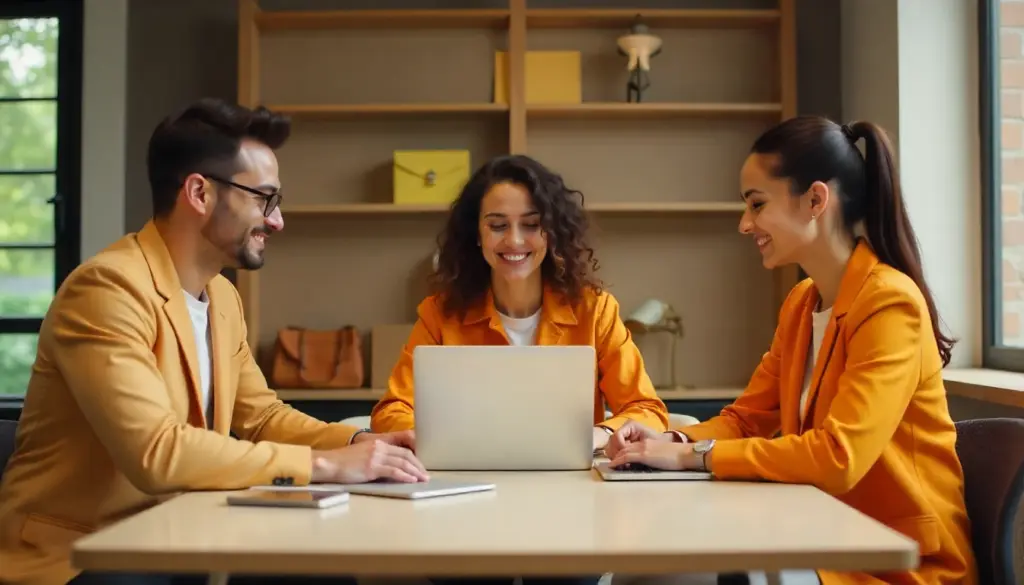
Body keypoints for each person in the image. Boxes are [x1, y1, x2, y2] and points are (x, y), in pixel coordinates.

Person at [0, 98, 428, 585]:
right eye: (264, 198)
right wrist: (326, 464)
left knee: (317, 568)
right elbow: (156, 453)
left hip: (174, 532)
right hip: (82, 555)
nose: (277, 221)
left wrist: (362, 442)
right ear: (200, 193)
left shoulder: (220, 295)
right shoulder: (105, 290)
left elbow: (261, 416)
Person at [604, 116, 977, 585]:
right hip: (822, 538)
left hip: (897, 566)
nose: (745, 224)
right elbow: (747, 418)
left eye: (757, 205)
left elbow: (839, 457)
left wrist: (694, 457)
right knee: (654, 572)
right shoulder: (803, 303)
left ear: (816, 200)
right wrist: (667, 442)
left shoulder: (889, 301)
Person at [370, 154, 670, 456]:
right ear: (477, 234)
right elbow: (392, 410)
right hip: (469, 478)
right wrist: (433, 439)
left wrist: (601, 434)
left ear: (551, 233)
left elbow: (647, 411)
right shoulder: (440, 314)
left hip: (570, 485)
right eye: (498, 225)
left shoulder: (595, 311)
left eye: (531, 225)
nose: (514, 241)